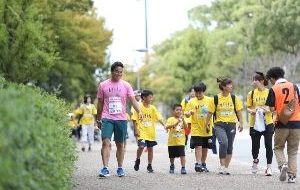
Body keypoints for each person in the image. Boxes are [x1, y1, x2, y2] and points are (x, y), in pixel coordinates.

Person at [97, 61, 140, 177]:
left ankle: (120, 167)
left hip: (121, 118)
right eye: (116, 71)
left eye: (121, 72)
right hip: (107, 117)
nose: (119, 74)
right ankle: (105, 168)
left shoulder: (126, 85)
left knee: (120, 144)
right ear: (112, 71)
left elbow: (133, 100)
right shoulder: (103, 85)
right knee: (106, 142)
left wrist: (139, 111)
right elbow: (100, 103)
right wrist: (98, 118)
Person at [265, 67, 300, 183]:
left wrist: (277, 111)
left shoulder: (274, 89)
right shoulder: (294, 86)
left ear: (272, 78)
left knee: (278, 147)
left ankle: (282, 164)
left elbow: (271, 108)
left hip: (281, 123)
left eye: (270, 80)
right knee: (293, 151)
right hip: (296, 123)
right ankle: (292, 177)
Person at [205, 77, 243, 175]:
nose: (231, 86)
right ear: (223, 87)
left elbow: (239, 112)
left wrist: (241, 123)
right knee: (224, 143)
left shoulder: (234, 98)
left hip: (231, 125)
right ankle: (222, 166)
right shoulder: (215, 98)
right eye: (229, 85)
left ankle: (226, 167)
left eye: (231, 84)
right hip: (219, 125)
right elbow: (210, 113)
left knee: (229, 146)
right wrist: (207, 124)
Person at [247, 72, 274, 176]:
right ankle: (255, 160)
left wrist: (265, 109)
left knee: (268, 144)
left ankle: (269, 167)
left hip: (268, 122)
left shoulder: (270, 92)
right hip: (255, 123)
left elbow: (273, 108)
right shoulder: (251, 93)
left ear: (262, 81)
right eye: (254, 80)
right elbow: (248, 107)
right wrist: (252, 111)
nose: (254, 82)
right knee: (255, 145)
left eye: (256, 80)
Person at [132, 90, 165, 173]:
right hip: (141, 131)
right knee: (141, 146)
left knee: (150, 149)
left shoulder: (152, 108)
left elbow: (159, 117)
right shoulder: (138, 107)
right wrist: (135, 129)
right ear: (144, 98)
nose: (151, 99)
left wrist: (164, 125)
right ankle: (137, 159)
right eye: (150, 97)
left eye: (152, 97)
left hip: (150, 132)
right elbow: (134, 119)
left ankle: (149, 165)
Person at [185, 82, 213, 173]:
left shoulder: (210, 100)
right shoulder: (191, 101)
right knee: (198, 146)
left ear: (203, 91)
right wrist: (189, 114)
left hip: (207, 128)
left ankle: (203, 163)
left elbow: (213, 111)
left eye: (199, 92)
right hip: (196, 128)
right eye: (196, 92)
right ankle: (198, 163)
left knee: (205, 147)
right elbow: (186, 113)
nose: (197, 94)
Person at [165, 104, 187, 174]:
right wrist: (176, 123)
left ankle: (183, 168)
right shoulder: (170, 119)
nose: (179, 111)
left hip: (180, 141)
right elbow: (167, 127)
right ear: (173, 111)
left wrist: (183, 120)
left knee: (182, 155)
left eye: (180, 110)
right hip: (172, 142)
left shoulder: (183, 119)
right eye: (177, 110)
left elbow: (186, 127)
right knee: (172, 156)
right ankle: (172, 165)